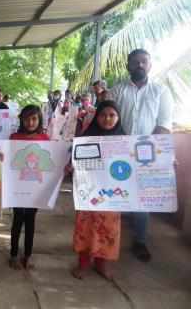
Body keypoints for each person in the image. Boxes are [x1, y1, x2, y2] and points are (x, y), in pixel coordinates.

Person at [109, 48, 173, 263]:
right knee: (114, 194)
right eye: (135, 62)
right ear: (128, 66)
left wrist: (145, 148)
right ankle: (109, 239)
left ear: (150, 65)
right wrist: (124, 145)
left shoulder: (160, 91)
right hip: (118, 149)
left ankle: (139, 240)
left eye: (144, 62)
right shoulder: (117, 90)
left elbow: (164, 125)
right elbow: (108, 119)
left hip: (149, 152)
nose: (139, 65)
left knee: (142, 198)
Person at [65, 100, 124, 280]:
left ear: (118, 117)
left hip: (113, 195)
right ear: (96, 117)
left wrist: (167, 164)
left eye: (112, 115)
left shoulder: (126, 141)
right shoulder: (85, 140)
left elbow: (139, 166)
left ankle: (101, 263)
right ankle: (83, 263)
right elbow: (74, 162)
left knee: (108, 229)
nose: (107, 119)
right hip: (89, 193)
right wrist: (70, 167)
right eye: (103, 115)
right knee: (87, 226)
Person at [8, 105, 49, 270]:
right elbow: (9, 160)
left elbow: (50, 162)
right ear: (21, 120)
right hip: (18, 188)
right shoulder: (14, 137)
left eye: (34, 118)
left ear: (39, 120)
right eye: (27, 118)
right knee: (17, 220)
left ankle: (28, 254)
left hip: (36, 190)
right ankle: (13, 254)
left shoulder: (45, 138)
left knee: (30, 221)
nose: (30, 122)